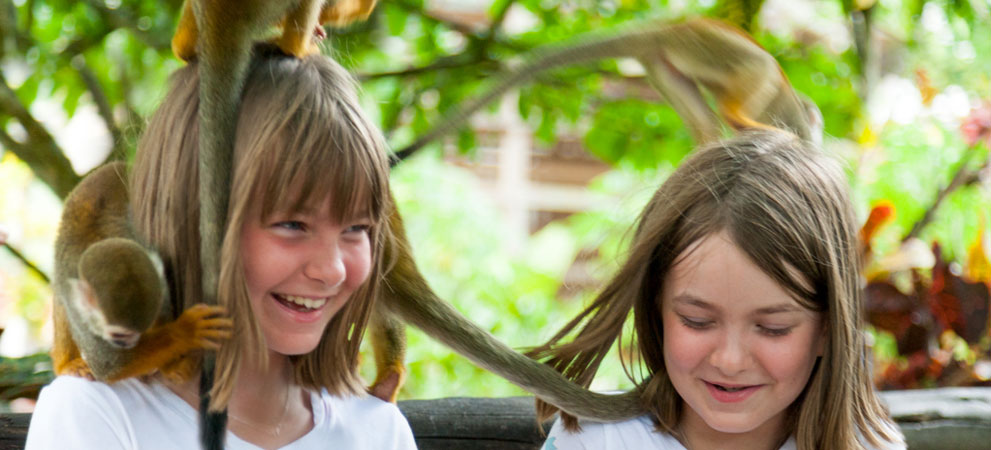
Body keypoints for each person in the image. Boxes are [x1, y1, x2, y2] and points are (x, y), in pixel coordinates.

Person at [26, 46, 416, 449]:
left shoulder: (379, 431)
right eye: (292, 224)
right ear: (191, 226)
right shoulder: (96, 414)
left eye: (357, 228)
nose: (331, 269)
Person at [533, 130, 905, 450]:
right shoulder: (596, 441)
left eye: (774, 328)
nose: (730, 360)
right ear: (656, 307)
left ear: (827, 326)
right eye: (697, 321)